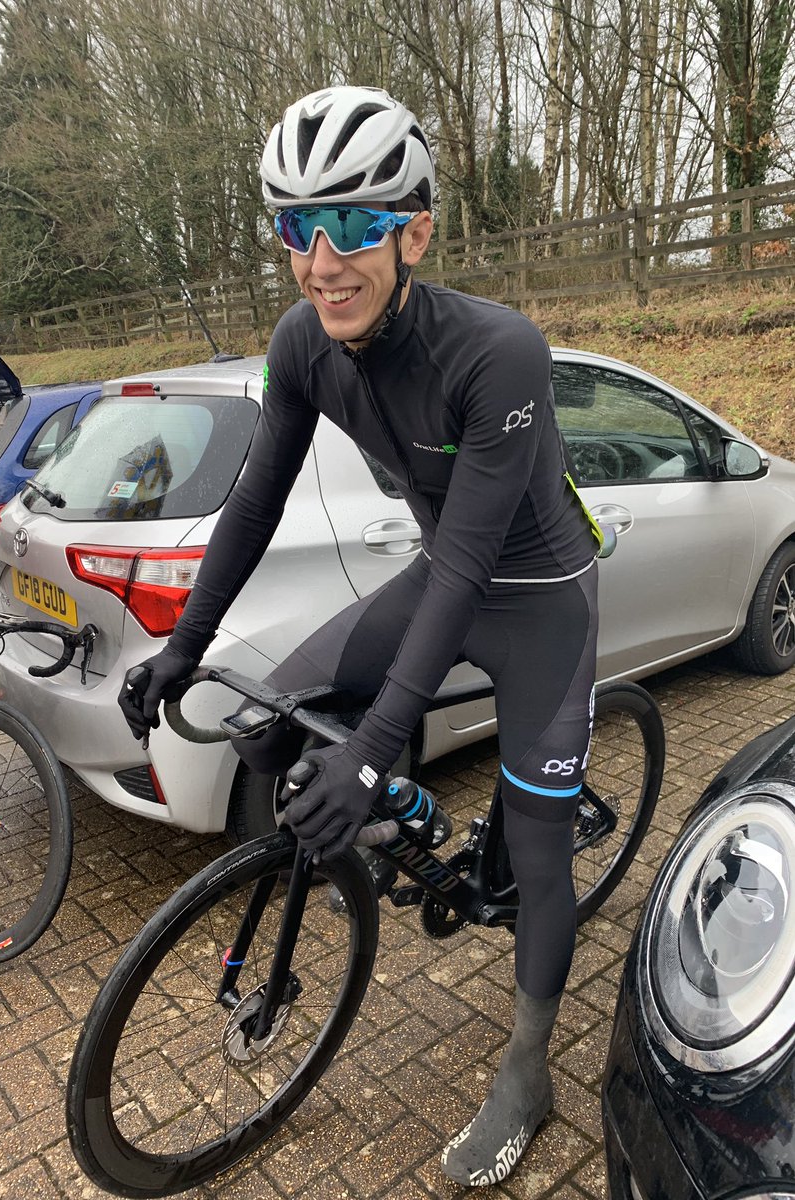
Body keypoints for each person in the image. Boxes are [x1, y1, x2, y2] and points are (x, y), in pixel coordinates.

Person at [119, 85, 602, 1188]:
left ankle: (529, 1073)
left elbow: (473, 565)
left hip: (538, 599)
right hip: (444, 575)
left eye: (352, 224)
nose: (323, 261)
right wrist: (185, 643)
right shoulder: (303, 341)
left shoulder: (500, 353)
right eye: (298, 227)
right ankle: (405, 831)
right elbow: (254, 500)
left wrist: (376, 751)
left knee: (537, 854)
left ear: (413, 234)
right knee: (271, 726)